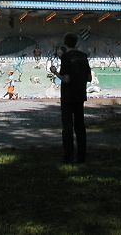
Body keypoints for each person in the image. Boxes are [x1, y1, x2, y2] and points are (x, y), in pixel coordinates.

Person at [50, 33, 92, 164]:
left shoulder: (66, 57)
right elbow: (89, 78)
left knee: (67, 128)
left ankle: (68, 156)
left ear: (65, 43)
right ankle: (81, 157)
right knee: (80, 127)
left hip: (68, 97)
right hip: (80, 95)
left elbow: (66, 79)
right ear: (76, 43)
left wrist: (55, 72)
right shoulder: (83, 56)